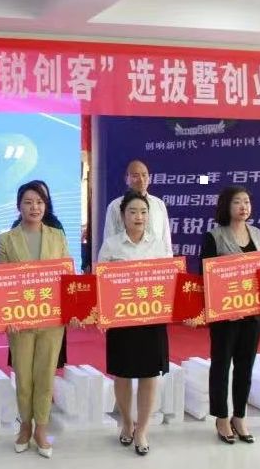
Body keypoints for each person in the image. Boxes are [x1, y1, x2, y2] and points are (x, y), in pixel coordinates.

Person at [201, 186, 260, 445]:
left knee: (245, 365)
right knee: (221, 365)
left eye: (247, 202)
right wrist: (222, 305)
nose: (243, 207)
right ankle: (221, 417)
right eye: (237, 202)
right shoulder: (214, 236)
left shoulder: (257, 234)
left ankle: (239, 416)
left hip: (253, 313)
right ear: (226, 206)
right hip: (226, 315)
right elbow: (206, 278)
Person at [0, 181, 71, 459]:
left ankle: (41, 428)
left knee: (45, 375)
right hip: (20, 321)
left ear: (46, 206)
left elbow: (66, 277)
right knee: (24, 377)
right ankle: (24, 426)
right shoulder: (6, 239)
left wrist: (73, 310)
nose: (34, 207)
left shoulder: (57, 236)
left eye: (39, 202)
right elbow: (0, 283)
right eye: (28, 202)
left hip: (52, 320)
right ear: (19, 206)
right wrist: (6, 316)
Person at [97, 190, 171, 456]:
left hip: (152, 319)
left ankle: (142, 429)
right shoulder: (111, 246)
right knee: (123, 373)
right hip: (122, 319)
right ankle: (127, 423)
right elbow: (100, 283)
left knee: (150, 374)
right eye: (132, 212)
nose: (138, 216)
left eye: (143, 212)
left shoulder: (159, 245)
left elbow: (170, 280)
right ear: (123, 215)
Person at [103, 160, 172, 257]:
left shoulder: (159, 204)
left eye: (144, 175)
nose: (141, 180)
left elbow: (166, 240)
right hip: (125, 262)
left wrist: (168, 262)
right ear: (126, 179)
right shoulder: (115, 206)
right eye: (135, 176)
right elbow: (109, 238)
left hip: (155, 263)